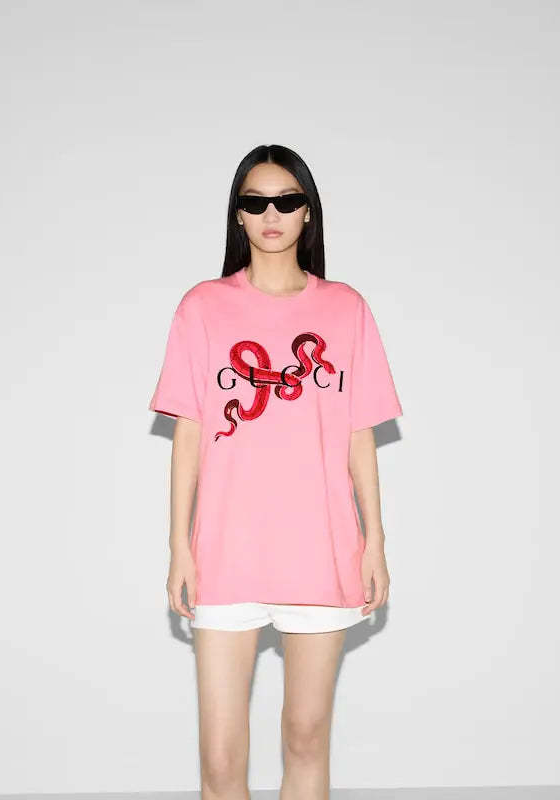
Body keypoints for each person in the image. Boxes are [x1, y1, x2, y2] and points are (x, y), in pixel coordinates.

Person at [148, 144, 404, 799]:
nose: (271, 214)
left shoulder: (345, 309)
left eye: (287, 201)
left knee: (305, 739)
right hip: (225, 552)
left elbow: (358, 434)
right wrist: (179, 546)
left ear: (307, 212)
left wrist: (374, 541)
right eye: (256, 201)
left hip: (320, 550)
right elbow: (188, 436)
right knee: (220, 761)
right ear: (237, 214)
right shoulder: (202, 307)